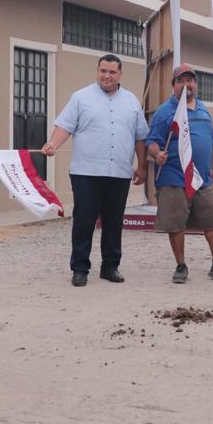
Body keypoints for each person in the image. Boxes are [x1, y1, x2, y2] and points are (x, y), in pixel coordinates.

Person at [42, 54, 149, 287]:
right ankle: (80, 268)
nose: (106, 76)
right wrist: (53, 144)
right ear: (97, 71)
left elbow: (140, 137)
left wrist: (141, 167)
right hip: (86, 172)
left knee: (114, 221)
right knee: (84, 220)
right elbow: (64, 126)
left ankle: (110, 267)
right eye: (103, 71)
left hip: (119, 172)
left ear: (120, 74)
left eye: (112, 72)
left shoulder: (131, 101)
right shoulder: (80, 98)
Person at [146, 65, 213, 284]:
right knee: (175, 224)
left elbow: (210, 141)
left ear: (195, 84)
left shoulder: (203, 109)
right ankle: (181, 265)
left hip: (202, 179)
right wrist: (157, 154)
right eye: (180, 81)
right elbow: (152, 142)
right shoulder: (164, 112)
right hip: (173, 177)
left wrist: (212, 167)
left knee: (211, 221)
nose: (186, 85)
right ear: (174, 85)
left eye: (190, 80)